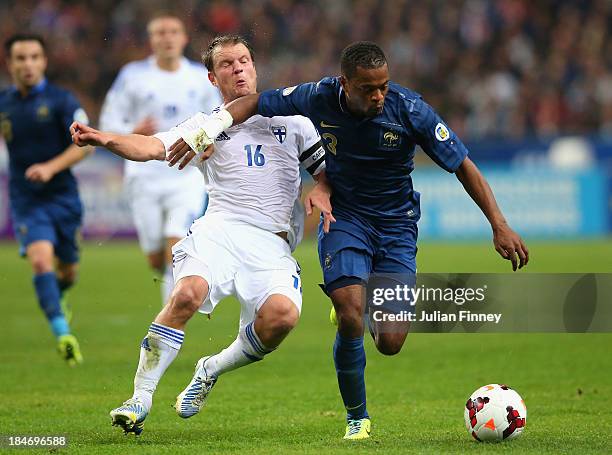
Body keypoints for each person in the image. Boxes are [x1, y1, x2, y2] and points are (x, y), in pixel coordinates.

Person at [166, 41, 530, 440]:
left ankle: (359, 303)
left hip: (396, 227)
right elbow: (253, 103)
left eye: (384, 87)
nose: (378, 96)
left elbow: (462, 165)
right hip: (345, 217)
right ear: (346, 84)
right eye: (368, 89)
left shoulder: (410, 110)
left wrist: (498, 224)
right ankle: (357, 418)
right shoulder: (318, 96)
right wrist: (209, 128)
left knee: (390, 342)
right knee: (350, 311)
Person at [71, 34, 333, 435]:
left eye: (244, 60)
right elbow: (150, 146)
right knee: (188, 292)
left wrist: (323, 187)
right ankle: (140, 397)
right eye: (227, 64)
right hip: (221, 229)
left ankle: (211, 368)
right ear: (213, 78)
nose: (239, 69)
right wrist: (104, 138)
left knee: (282, 317)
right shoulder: (204, 127)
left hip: (274, 242)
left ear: (254, 66)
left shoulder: (294, 121)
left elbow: (327, 173)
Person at [99, 13, 221, 304]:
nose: (167, 37)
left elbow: (218, 117)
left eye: (173, 31)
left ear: (184, 38)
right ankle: (169, 289)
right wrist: (131, 131)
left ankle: (169, 322)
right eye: (160, 32)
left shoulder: (199, 77)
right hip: (144, 175)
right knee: (156, 257)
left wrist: (209, 142)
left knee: (176, 245)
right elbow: (108, 122)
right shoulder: (132, 75)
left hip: (186, 174)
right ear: (151, 40)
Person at [0, 33, 93, 365]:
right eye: (20, 58)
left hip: (63, 197)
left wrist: (50, 168)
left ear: (44, 61)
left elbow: (87, 144)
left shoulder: (61, 101)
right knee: (41, 260)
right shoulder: (4, 103)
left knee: (68, 272)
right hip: (26, 200)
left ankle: (60, 294)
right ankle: (63, 333)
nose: (27, 64)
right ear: (9, 63)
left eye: (34, 57)